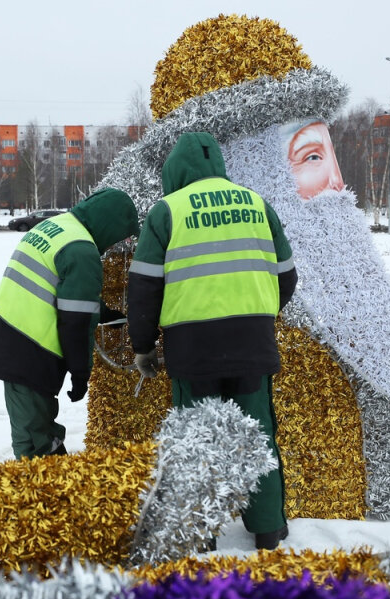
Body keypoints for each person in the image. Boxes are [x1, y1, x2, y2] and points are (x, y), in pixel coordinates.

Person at [127, 132, 297, 550]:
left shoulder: (168, 211)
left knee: (196, 439)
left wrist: (143, 346)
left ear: (175, 173)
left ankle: (200, 533)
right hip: (252, 345)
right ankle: (268, 528)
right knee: (256, 434)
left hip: (193, 349)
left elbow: (144, 287)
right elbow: (287, 275)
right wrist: (258, 313)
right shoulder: (258, 205)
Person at [0, 188, 139, 459]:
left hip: (9, 339)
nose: (114, 246)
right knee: (35, 440)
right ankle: (42, 496)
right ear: (110, 225)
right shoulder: (82, 251)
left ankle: (47, 486)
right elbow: (75, 322)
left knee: (35, 431)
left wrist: (103, 312)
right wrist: (80, 374)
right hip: (30, 353)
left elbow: (57, 287)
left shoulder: (56, 227)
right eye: (118, 239)